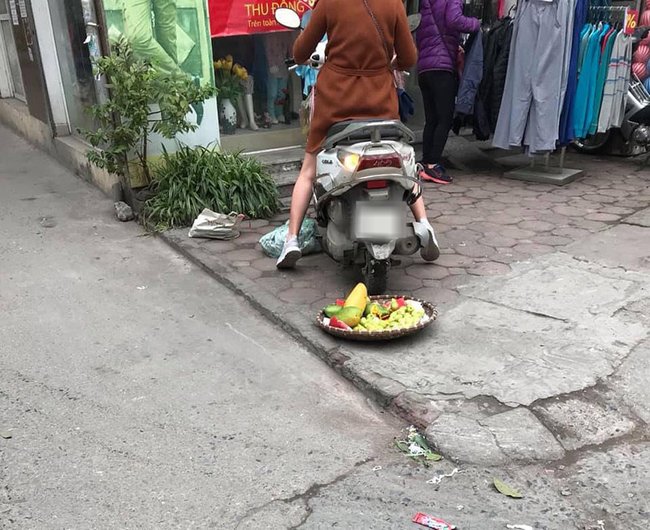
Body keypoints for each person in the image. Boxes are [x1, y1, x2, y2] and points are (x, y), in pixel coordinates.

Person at [276, 0, 441, 268]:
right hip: (381, 103)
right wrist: (390, 62)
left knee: (309, 169)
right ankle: (424, 224)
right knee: (402, 165)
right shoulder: (394, 4)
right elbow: (409, 58)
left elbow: (300, 53)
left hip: (336, 103)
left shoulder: (329, 2)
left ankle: (291, 240)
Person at [416, 0, 480, 184]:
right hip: (442, 68)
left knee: (432, 119)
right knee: (444, 118)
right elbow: (455, 20)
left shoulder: (427, 3)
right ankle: (433, 165)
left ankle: (425, 162)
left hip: (424, 68)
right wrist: (476, 23)